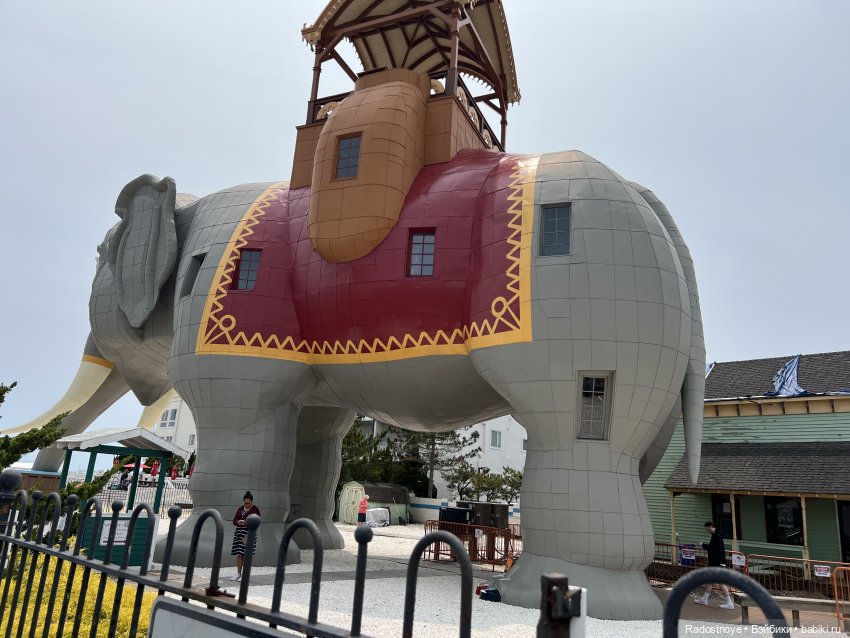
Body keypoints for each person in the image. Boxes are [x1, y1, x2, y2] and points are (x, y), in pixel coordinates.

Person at [694, 521, 735, 609]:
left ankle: (729, 602)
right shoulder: (716, 535)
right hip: (715, 562)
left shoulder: (717, 536)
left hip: (717, 563)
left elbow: (712, 548)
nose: (707, 531)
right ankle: (704, 599)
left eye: (707, 529)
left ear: (710, 527)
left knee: (720, 582)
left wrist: (703, 545)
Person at [230, 491, 260, 581]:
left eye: (248, 503)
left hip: (249, 533)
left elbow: (257, 521)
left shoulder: (255, 510)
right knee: (239, 554)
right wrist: (238, 522)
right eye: (245, 503)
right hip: (239, 533)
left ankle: (245, 574)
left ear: (252, 501)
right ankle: (238, 573)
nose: (246, 505)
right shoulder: (240, 509)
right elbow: (234, 520)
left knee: (246, 554)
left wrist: (246, 523)